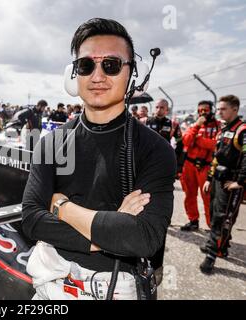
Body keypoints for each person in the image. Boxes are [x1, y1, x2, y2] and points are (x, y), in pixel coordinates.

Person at [22, 18, 175, 300]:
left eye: (111, 65)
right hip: (48, 285)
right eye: (86, 65)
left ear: (132, 74)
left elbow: (143, 238)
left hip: (116, 290)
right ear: (74, 74)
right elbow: (31, 219)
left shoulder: (156, 150)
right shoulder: (52, 142)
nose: (97, 75)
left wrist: (62, 207)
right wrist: (112, 229)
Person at [200, 95, 246, 273]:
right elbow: (216, 156)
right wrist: (209, 179)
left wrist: (240, 182)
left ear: (235, 109)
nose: (219, 112)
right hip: (218, 179)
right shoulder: (223, 128)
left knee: (222, 218)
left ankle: (212, 254)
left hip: (230, 182)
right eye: (218, 109)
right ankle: (222, 247)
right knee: (214, 214)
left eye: (223, 109)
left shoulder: (242, 130)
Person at [180, 101, 221, 231]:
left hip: (206, 166)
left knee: (208, 197)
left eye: (205, 110)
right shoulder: (194, 125)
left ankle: (212, 225)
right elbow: (186, 140)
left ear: (212, 110)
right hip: (190, 165)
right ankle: (193, 221)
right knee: (189, 195)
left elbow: (217, 145)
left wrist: (198, 141)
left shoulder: (219, 126)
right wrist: (197, 126)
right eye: (200, 110)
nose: (202, 113)